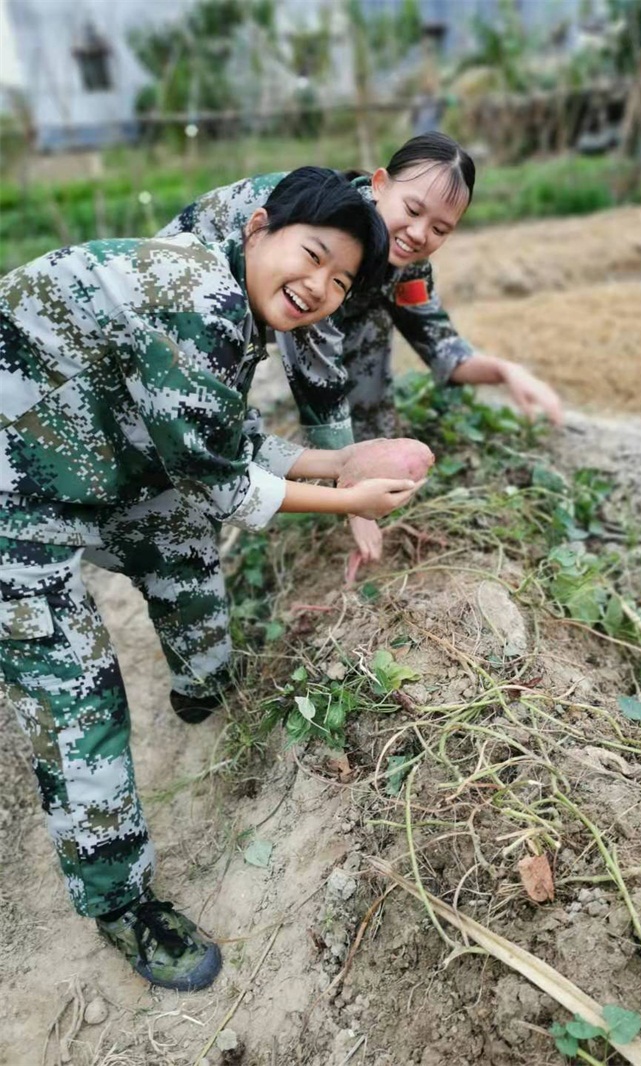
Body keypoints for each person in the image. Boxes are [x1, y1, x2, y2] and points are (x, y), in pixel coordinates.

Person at [0, 167, 423, 992]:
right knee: (77, 690)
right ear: (259, 226)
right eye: (310, 257)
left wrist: (339, 461)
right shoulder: (195, 297)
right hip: (14, 501)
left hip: (77, 455)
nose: (318, 288)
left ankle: (206, 689)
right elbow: (224, 484)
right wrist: (351, 496)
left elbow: (223, 441)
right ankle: (121, 903)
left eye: (340, 283)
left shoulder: (225, 295)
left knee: (178, 534)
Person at [159, 133, 564, 570]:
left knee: (371, 324)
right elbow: (318, 379)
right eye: (412, 210)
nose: (419, 234)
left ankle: (372, 468)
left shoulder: (403, 263)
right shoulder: (329, 239)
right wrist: (351, 499)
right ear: (380, 184)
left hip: (262, 302)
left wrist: (507, 372)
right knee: (201, 453)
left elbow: (439, 341)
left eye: (440, 229)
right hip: (189, 307)